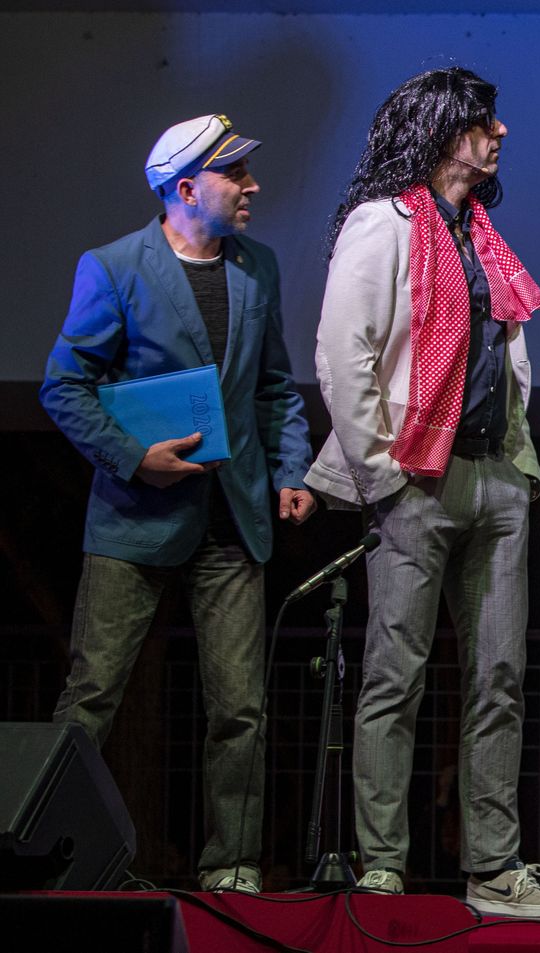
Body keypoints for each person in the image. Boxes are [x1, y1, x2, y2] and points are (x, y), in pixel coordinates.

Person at [304, 67, 540, 919]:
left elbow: (508, 365)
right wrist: (381, 473)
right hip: (417, 477)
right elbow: (342, 355)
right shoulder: (382, 225)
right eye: (484, 123)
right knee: (395, 674)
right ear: (440, 130)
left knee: (498, 674)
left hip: (496, 476)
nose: (500, 137)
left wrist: (522, 472)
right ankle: (384, 862)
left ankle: (494, 866)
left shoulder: (483, 234)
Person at [41, 114, 316, 893]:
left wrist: (290, 470)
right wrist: (135, 457)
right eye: (238, 175)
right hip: (134, 517)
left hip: (232, 518)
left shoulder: (256, 267)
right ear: (187, 188)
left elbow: (271, 389)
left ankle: (231, 865)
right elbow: (66, 386)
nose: (254, 186)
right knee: (93, 696)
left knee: (241, 709)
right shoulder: (115, 267)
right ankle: (52, 855)